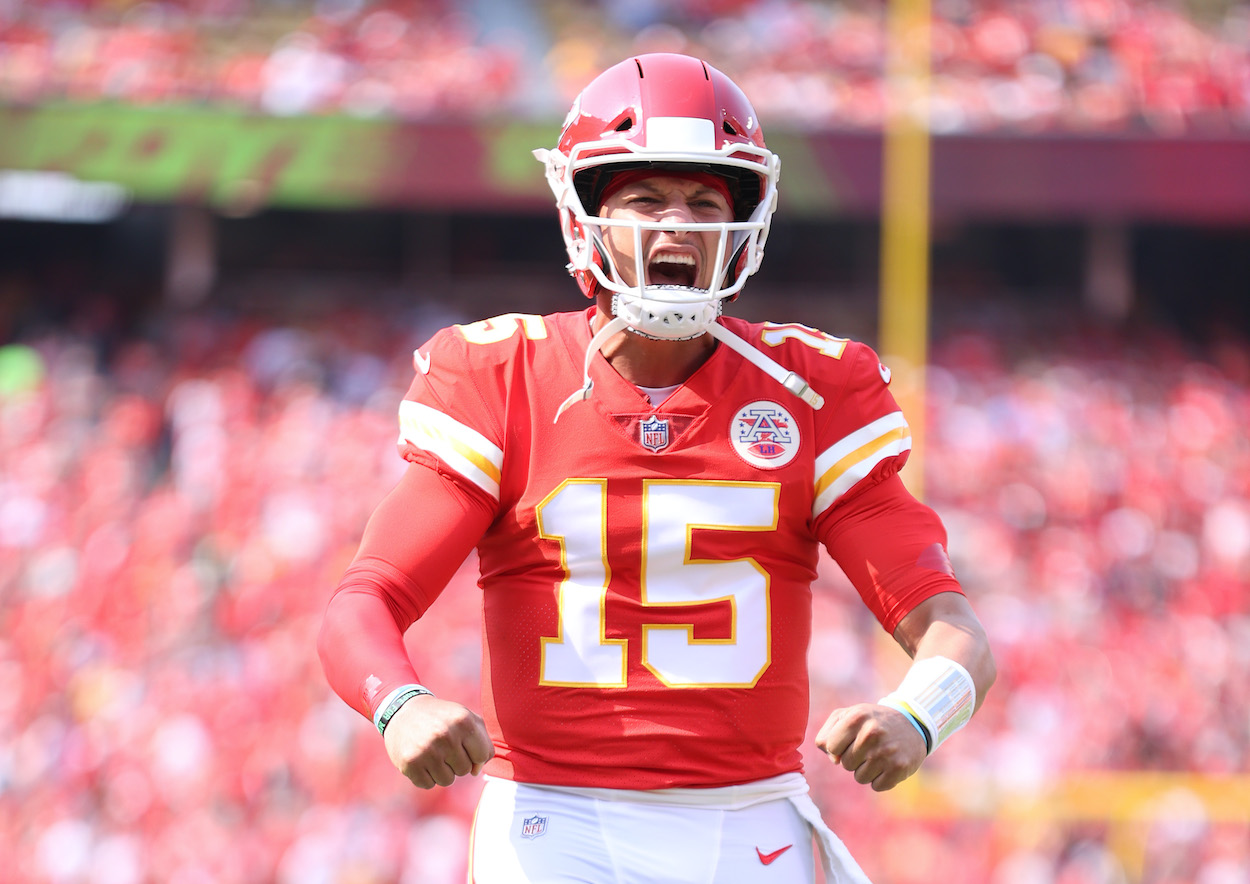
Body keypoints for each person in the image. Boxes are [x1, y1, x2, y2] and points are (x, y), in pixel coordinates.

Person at [318, 52, 995, 884]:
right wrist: (400, 705)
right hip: (553, 819)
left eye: (705, 201)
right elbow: (364, 601)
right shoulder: (503, 375)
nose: (678, 223)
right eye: (643, 198)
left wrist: (918, 715)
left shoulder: (814, 388)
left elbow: (954, 630)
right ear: (586, 218)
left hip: (752, 822)